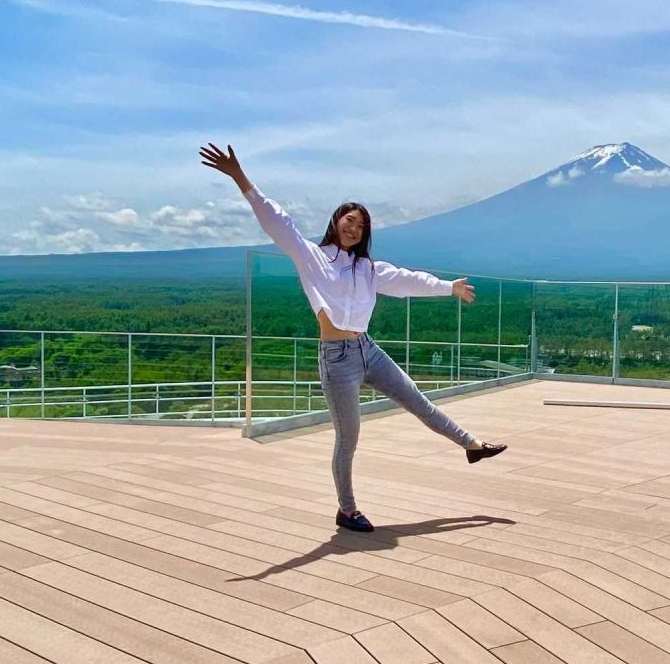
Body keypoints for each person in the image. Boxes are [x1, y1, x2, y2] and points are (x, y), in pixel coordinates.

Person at [200, 143, 506, 532]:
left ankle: (472, 446)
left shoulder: (368, 268)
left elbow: (406, 280)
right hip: (337, 358)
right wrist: (240, 178)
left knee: (418, 401)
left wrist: (448, 287)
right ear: (335, 221)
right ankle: (347, 510)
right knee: (349, 439)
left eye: (361, 224)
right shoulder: (311, 256)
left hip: (367, 349)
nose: (354, 226)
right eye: (349, 219)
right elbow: (278, 222)